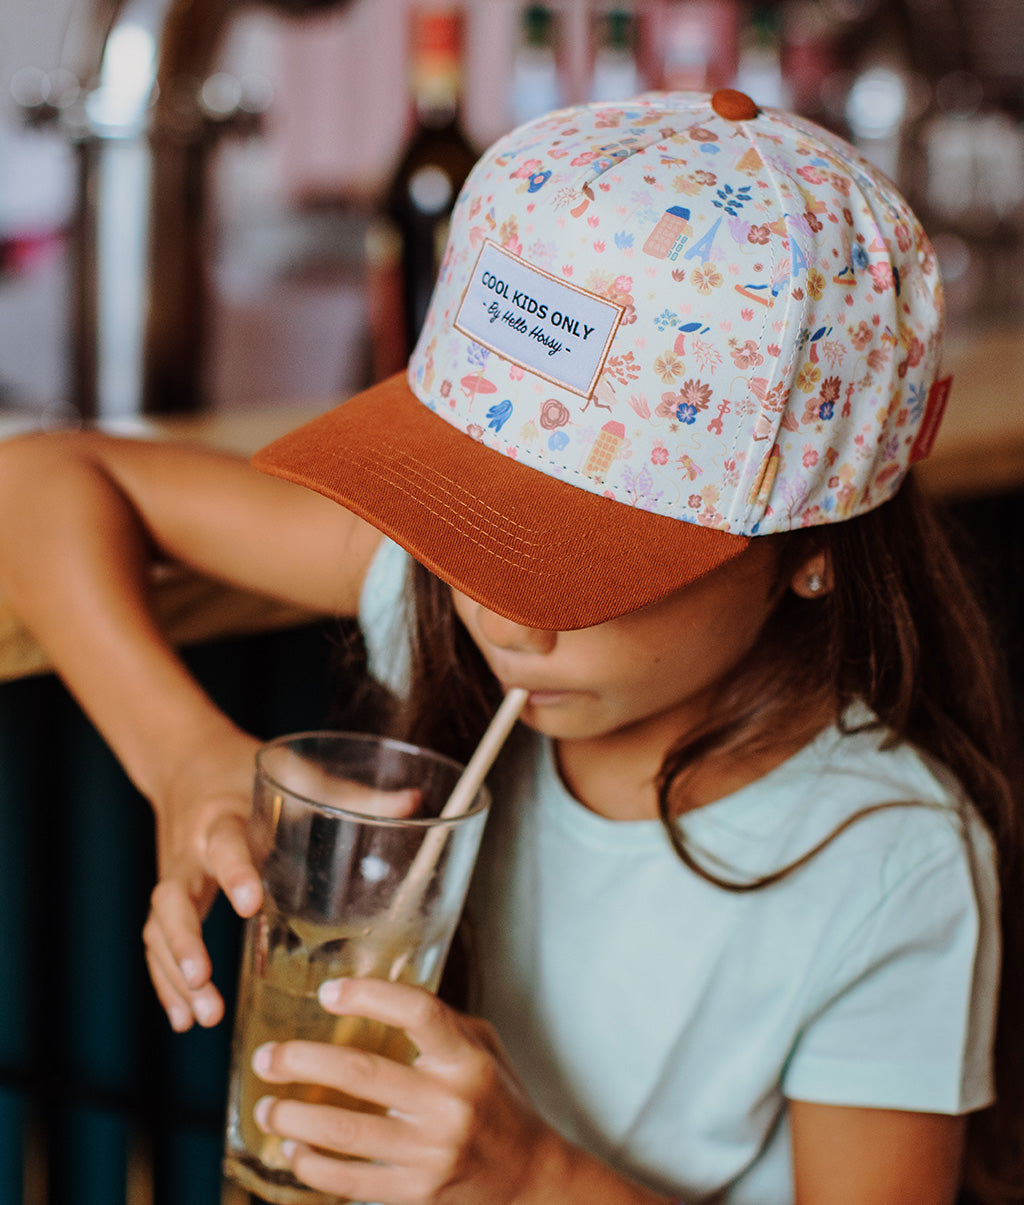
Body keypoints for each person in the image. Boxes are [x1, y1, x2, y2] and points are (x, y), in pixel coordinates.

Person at [0, 89, 1021, 1205]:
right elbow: (37, 479)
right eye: (472, 517)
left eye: (582, 561)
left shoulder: (887, 860)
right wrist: (183, 757)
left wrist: (532, 1175)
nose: (502, 618)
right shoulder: (443, 595)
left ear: (813, 549)